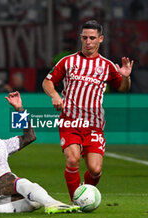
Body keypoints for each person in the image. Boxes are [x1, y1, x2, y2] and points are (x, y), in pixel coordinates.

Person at [42, 20, 133, 200]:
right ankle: (76, 201)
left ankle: (85, 193)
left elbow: (123, 88)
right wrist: (55, 95)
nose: (88, 42)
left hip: (94, 125)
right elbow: (47, 82)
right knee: (73, 159)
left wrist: (126, 77)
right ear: (80, 38)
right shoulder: (68, 62)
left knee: (95, 170)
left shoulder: (107, 66)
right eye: (85, 38)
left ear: (100, 39)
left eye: (92, 38)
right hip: (70, 121)